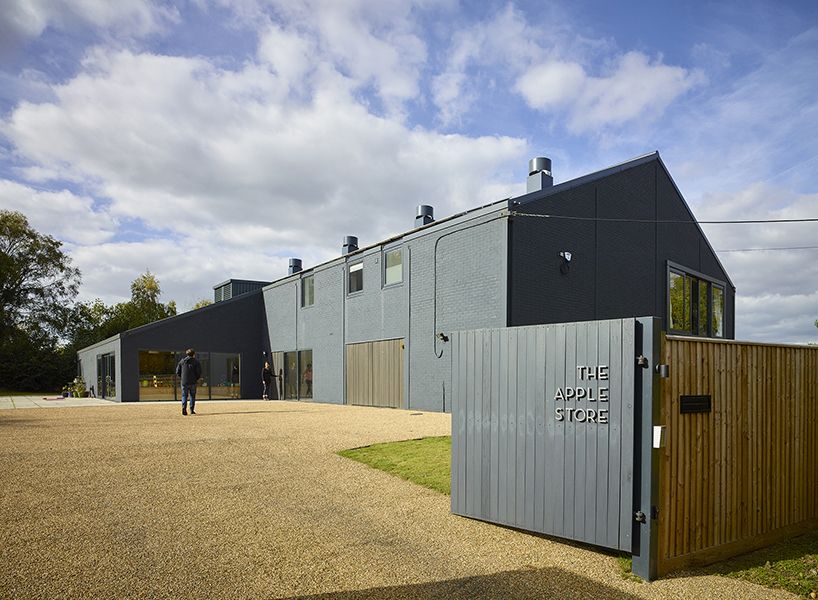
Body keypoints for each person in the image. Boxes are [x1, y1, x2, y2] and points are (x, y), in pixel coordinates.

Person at [176, 348, 202, 416]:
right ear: (194, 354)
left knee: (184, 395)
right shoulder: (196, 362)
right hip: (193, 382)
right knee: (192, 396)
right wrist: (196, 378)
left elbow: (177, 371)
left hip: (184, 382)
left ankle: (184, 408)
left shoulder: (182, 361)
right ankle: (191, 410)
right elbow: (199, 372)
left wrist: (182, 377)